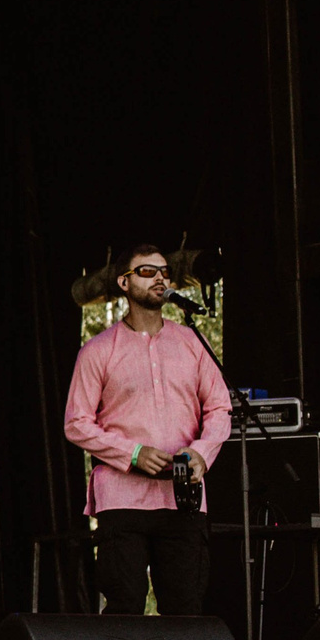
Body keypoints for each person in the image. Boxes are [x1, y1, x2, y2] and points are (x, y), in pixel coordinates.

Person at [64, 242, 230, 616]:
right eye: (147, 271)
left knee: (185, 607)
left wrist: (201, 453)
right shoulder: (98, 350)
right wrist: (133, 453)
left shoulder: (192, 343)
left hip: (182, 498)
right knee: (125, 604)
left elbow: (220, 407)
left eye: (165, 272)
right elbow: (76, 423)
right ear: (124, 282)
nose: (160, 277)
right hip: (122, 501)